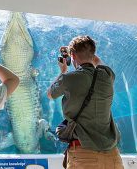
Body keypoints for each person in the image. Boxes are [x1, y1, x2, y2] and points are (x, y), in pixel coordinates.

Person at [47, 35, 123, 169]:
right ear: (92, 53)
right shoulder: (107, 75)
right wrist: (81, 52)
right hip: (113, 156)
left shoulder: (68, 78)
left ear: (73, 56)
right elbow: (97, 60)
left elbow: (50, 94)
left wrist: (63, 70)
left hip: (83, 155)